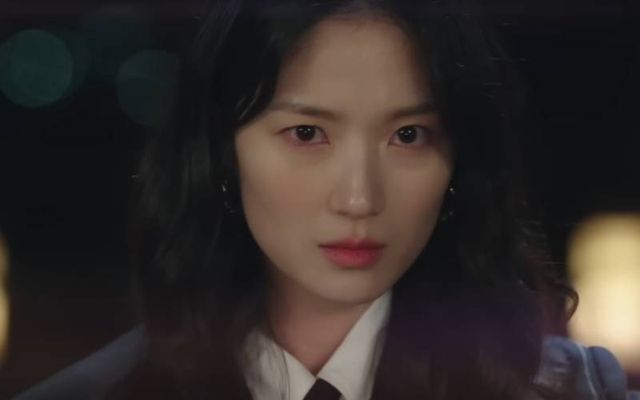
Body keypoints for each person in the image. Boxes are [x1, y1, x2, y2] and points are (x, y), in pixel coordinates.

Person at [12, 0, 636, 399]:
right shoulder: (99, 393)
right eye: (308, 134)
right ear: (222, 153)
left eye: (408, 136)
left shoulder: (574, 391)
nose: (359, 199)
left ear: (458, 162)